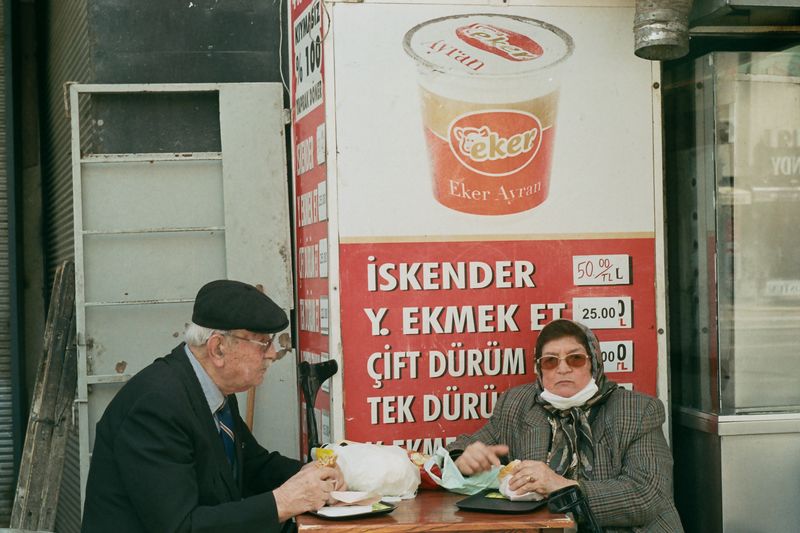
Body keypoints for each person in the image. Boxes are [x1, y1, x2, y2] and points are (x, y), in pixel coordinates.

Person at [81, 279, 345, 533]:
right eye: (263, 342)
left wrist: (316, 476)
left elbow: (253, 466)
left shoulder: (212, 389)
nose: (273, 353)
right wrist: (283, 501)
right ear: (218, 348)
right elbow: (181, 526)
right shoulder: (156, 406)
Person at [447, 319, 683, 532]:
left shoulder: (637, 410)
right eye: (550, 361)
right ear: (539, 369)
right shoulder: (517, 404)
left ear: (594, 363)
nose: (563, 368)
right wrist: (463, 460)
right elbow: (466, 446)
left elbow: (649, 495)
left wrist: (563, 487)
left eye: (575, 358)